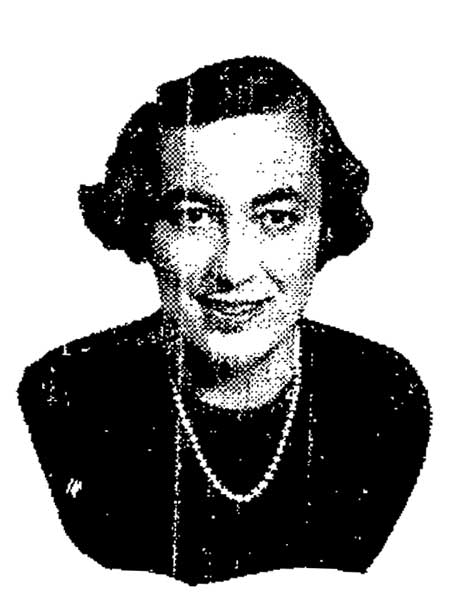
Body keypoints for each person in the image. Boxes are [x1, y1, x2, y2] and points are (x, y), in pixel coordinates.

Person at [18, 56, 431, 585]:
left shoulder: (384, 394)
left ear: (325, 227)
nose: (234, 268)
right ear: (143, 227)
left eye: (276, 218)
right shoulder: (65, 391)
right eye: (192, 217)